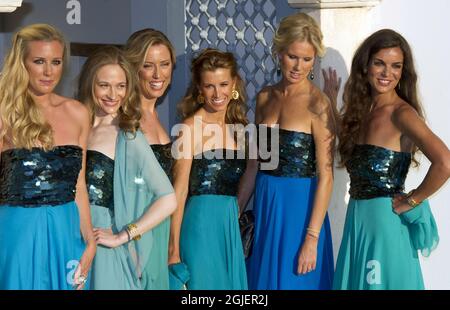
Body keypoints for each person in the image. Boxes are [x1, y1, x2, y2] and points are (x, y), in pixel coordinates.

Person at [333, 29, 450, 290]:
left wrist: (413, 200)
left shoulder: (402, 114)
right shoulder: (362, 111)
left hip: (384, 225)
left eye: (396, 66)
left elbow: (445, 162)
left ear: (403, 71)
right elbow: (352, 146)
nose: (387, 73)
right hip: (358, 218)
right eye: (380, 64)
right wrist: (331, 102)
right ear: (366, 66)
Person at [0, 23, 96, 290]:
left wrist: (89, 240)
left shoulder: (78, 112)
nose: (48, 71)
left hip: (66, 232)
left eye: (55, 62)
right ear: (22, 63)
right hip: (16, 234)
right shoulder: (5, 112)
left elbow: (79, 185)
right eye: (39, 61)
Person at [244, 12, 336, 290]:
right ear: (279, 52)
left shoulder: (318, 104)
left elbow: (327, 176)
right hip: (267, 204)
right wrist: (235, 210)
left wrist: (311, 238)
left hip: (301, 211)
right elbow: (254, 165)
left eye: (307, 59)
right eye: (292, 56)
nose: (299, 66)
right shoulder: (264, 98)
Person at [78, 46, 178, 289]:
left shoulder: (128, 136)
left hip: (103, 244)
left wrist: (123, 235)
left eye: (121, 86)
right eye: (104, 85)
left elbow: (168, 199)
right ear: (89, 84)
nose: (113, 94)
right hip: (68, 232)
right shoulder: (74, 127)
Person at [168, 48, 248, 289]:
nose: (217, 93)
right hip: (200, 226)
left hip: (228, 227)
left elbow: (251, 172)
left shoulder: (240, 129)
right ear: (199, 89)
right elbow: (179, 191)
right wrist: (173, 250)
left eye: (223, 84)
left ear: (233, 84)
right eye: (209, 86)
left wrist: (237, 209)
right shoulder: (189, 128)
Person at [123, 28, 176, 289]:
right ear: (133, 69)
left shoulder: (157, 118)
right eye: (148, 66)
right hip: (135, 231)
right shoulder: (124, 118)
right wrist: (130, 240)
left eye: (164, 65)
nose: (158, 75)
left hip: (159, 227)